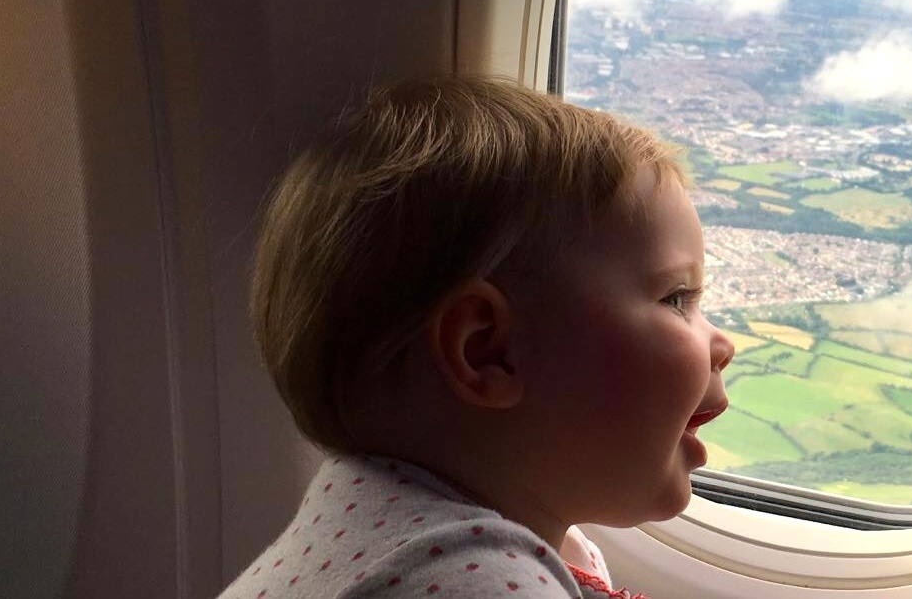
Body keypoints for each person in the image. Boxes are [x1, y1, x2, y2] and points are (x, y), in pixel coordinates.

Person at [218, 75, 734, 598]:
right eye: (676, 298)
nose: (723, 344)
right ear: (488, 351)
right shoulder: (475, 582)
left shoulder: (382, 525)